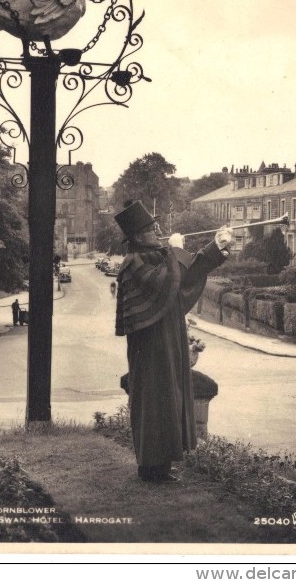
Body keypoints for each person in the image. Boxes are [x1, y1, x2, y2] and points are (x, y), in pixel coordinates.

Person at [114, 199, 233, 483]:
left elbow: (183, 278)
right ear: (138, 235)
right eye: (151, 228)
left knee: (170, 399)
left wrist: (215, 248)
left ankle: (163, 466)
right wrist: (178, 250)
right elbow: (165, 282)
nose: (157, 231)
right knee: (154, 401)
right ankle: (149, 468)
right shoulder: (133, 262)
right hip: (150, 345)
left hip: (169, 339)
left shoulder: (156, 255)